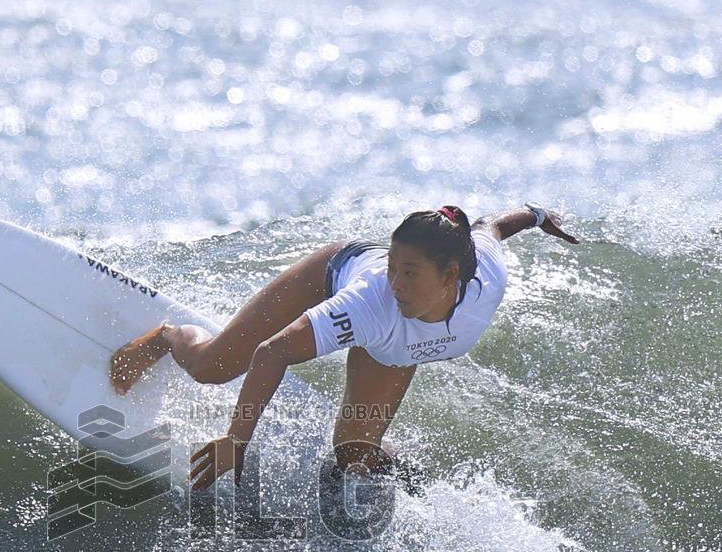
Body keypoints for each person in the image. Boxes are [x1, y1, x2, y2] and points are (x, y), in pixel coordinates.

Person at [109, 203, 580, 490]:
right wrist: (237, 441)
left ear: (451, 276)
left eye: (409, 273)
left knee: (354, 454)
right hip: (333, 272)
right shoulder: (372, 301)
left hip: (392, 346)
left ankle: (408, 480)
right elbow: (272, 353)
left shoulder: (485, 282)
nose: (395, 282)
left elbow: (494, 226)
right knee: (214, 367)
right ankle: (166, 338)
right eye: (392, 266)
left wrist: (539, 216)